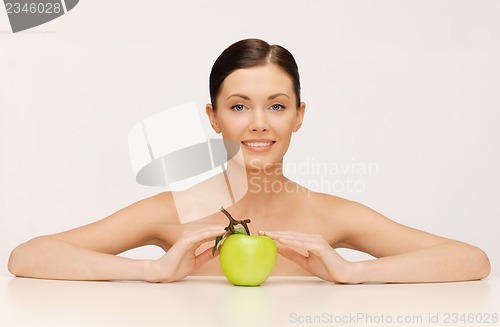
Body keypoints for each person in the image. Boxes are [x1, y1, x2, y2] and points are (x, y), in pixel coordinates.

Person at [8, 38, 490, 284]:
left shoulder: (329, 216)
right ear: (214, 117)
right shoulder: (170, 211)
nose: (259, 123)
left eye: (277, 106)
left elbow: (471, 260)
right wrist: (152, 272)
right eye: (239, 106)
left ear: (299, 116)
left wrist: (351, 271)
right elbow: (27, 257)